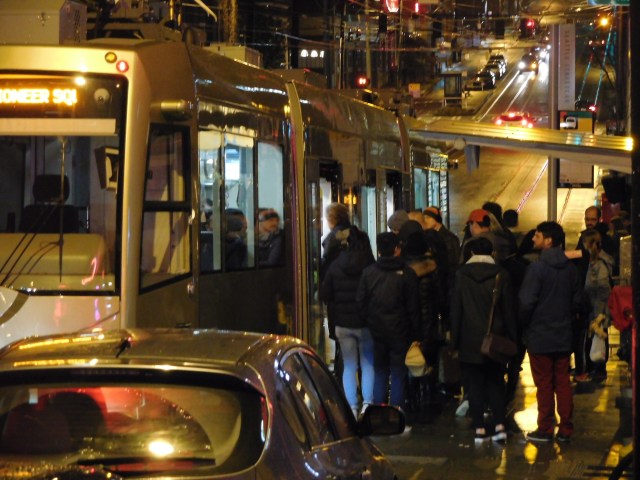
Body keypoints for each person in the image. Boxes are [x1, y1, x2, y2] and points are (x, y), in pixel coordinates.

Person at [519, 221, 583, 443]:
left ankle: (545, 428)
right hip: (563, 333)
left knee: (544, 382)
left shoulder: (536, 269)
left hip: (540, 334)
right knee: (563, 381)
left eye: (537, 236)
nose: (533, 239)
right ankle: (566, 428)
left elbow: (526, 302)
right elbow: (577, 300)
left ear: (548, 241)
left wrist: (524, 323)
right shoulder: (570, 269)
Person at [450, 237, 517, 443]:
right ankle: (499, 426)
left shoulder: (461, 275)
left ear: (471, 254)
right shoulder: (501, 275)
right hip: (495, 340)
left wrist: (454, 341)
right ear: (492, 253)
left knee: (475, 384)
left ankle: (479, 428)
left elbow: (456, 311)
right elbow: (509, 311)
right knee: (496, 383)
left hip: (469, 340)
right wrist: (514, 340)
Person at [357, 232, 421, 414]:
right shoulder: (407, 274)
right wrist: (416, 334)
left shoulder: (369, 273)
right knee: (398, 372)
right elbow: (413, 306)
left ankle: (379, 414)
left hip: (377, 331)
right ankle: (396, 414)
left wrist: (370, 321)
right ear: (397, 249)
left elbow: (360, 301)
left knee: (380, 372)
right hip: (401, 331)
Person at [321, 225, 376, 418]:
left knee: (350, 364)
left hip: (343, 324)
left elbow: (325, 293)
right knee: (368, 363)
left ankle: (352, 405)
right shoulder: (370, 264)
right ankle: (368, 403)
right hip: (365, 322)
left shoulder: (336, 265)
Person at [404, 231, 446, 409]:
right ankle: (429, 390)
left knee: (410, 355)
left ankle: (410, 393)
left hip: (407, 318)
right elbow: (439, 294)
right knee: (428, 355)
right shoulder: (431, 266)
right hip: (428, 317)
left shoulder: (403, 268)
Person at [576, 229, 614, 382]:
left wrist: (599, 314)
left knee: (598, 340)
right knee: (593, 340)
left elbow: (604, 288)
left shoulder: (600, 263)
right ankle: (593, 367)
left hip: (598, 310)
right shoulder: (594, 260)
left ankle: (598, 369)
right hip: (594, 308)